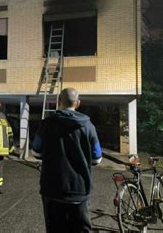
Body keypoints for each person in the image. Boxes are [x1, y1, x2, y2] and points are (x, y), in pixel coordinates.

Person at [32, 88, 102, 233]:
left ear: (58, 102)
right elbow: (97, 159)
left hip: (52, 190)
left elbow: (36, 152)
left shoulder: (46, 124)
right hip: (79, 191)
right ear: (77, 104)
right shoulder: (89, 127)